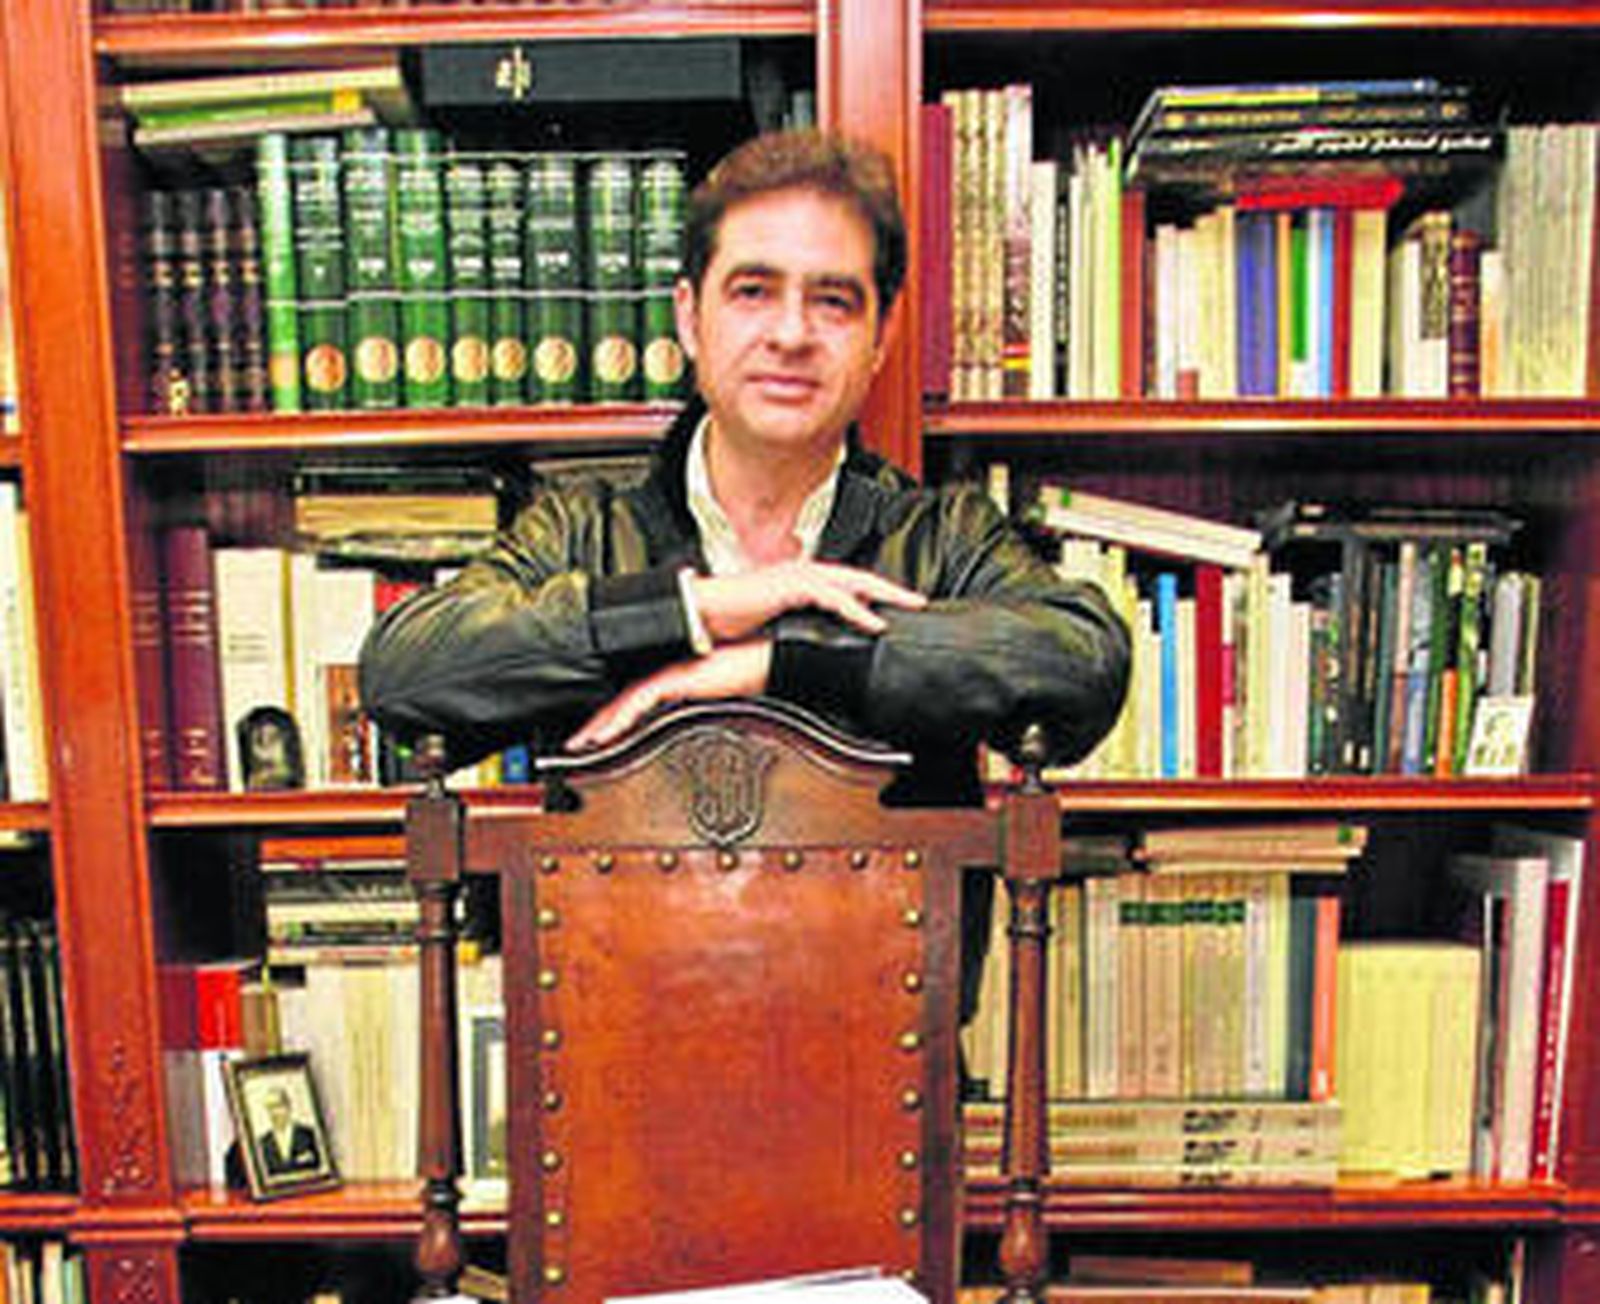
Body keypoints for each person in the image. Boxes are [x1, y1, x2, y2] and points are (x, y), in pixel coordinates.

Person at [359, 128, 1131, 1044]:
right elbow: (402, 673)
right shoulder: (578, 532)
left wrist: (781, 663)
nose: (791, 334)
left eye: (833, 301)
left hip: (888, 1088)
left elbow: (1083, 662)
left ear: (882, 337)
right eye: (753, 290)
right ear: (691, 318)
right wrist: (690, 610)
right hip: (608, 1086)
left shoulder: (943, 538)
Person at [257, 1085, 321, 1176]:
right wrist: (296, 1162)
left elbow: (317, 1167)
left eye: (278, 1106)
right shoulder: (264, 1142)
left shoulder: (307, 1134)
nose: (274, 1113)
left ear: (288, 1106)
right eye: (270, 1108)